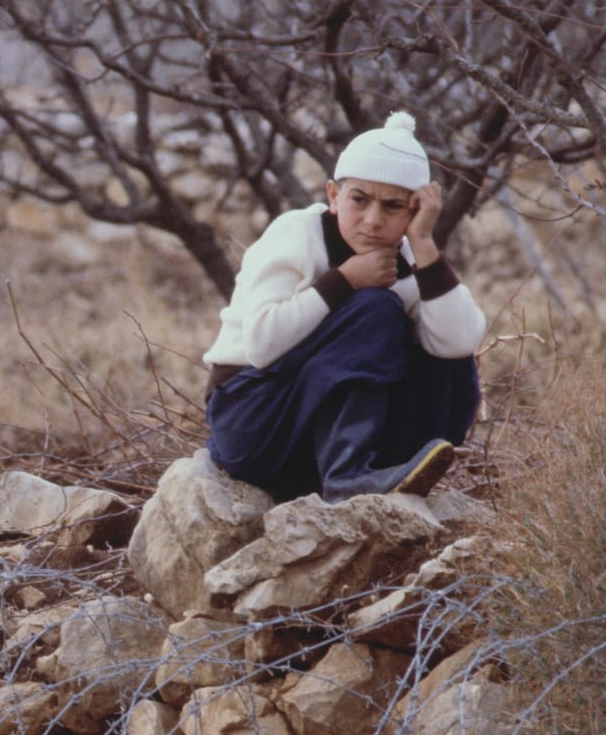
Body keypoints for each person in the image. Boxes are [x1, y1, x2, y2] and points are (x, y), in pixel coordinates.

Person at [200, 112, 487, 503]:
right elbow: (261, 345)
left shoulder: (407, 255)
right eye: (359, 199)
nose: (372, 220)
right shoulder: (297, 233)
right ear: (333, 196)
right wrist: (344, 280)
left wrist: (422, 243)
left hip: (308, 449)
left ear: (414, 211)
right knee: (376, 309)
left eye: (393, 207)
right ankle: (347, 475)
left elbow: (460, 342)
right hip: (252, 425)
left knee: (451, 362)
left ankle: (379, 467)